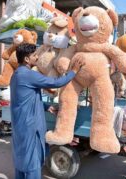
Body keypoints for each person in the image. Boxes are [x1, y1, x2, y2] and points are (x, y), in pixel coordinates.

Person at [10, 43, 84, 179]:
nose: (37, 57)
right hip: (30, 127)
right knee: (32, 162)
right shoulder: (28, 75)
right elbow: (56, 83)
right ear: (26, 59)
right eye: (34, 55)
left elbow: (25, 99)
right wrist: (73, 71)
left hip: (20, 125)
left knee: (21, 160)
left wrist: (45, 106)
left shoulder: (16, 75)